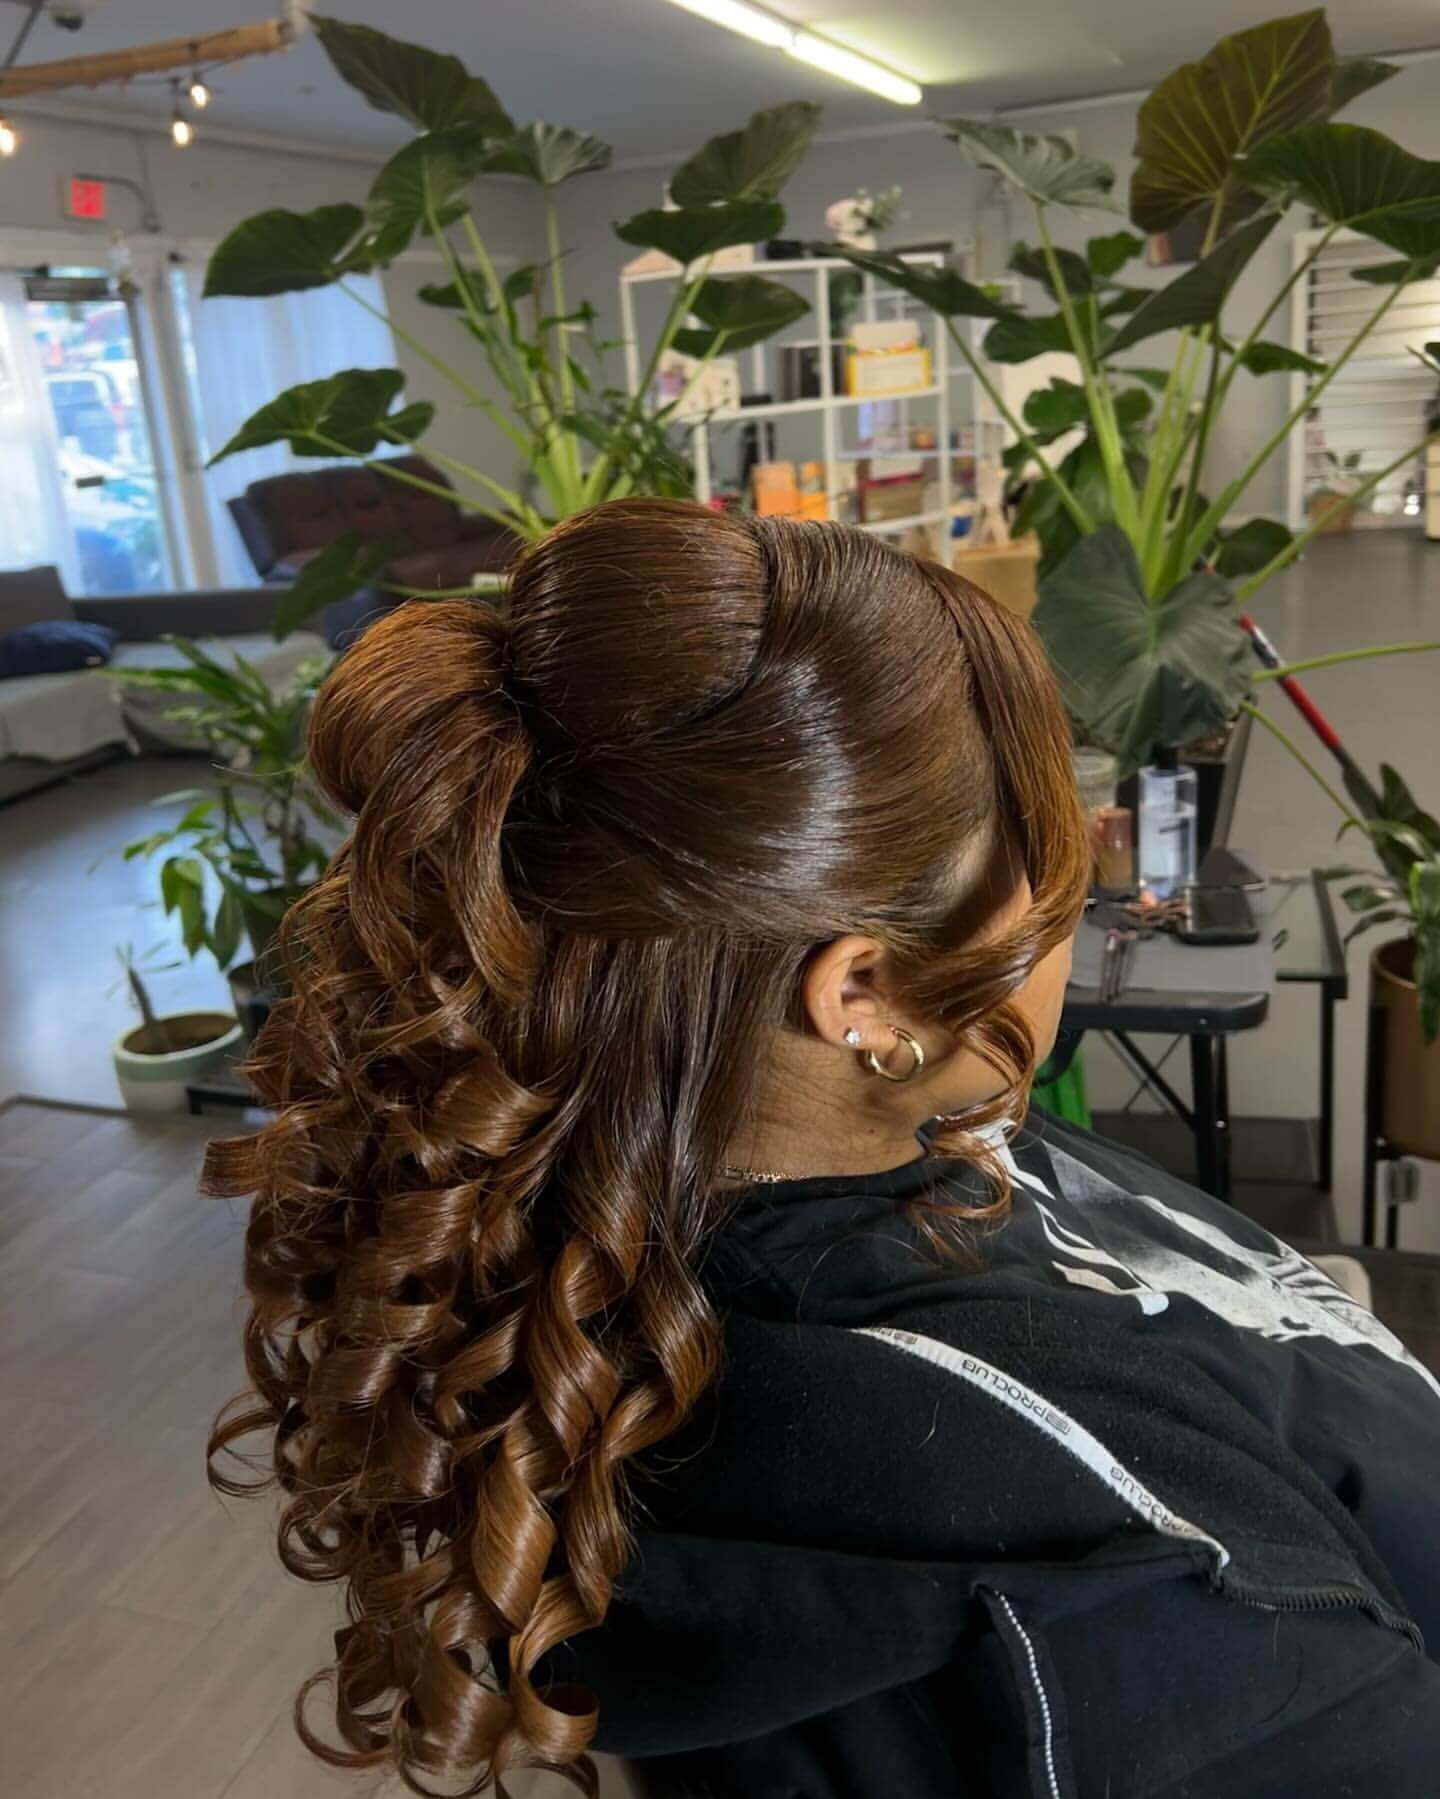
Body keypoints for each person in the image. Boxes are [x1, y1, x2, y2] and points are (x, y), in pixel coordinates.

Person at [207, 499, 1440, 1799]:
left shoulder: (609, 1229)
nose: (1082, 899)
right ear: (864, 993)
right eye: (1056, 854)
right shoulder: (1156, 1601)